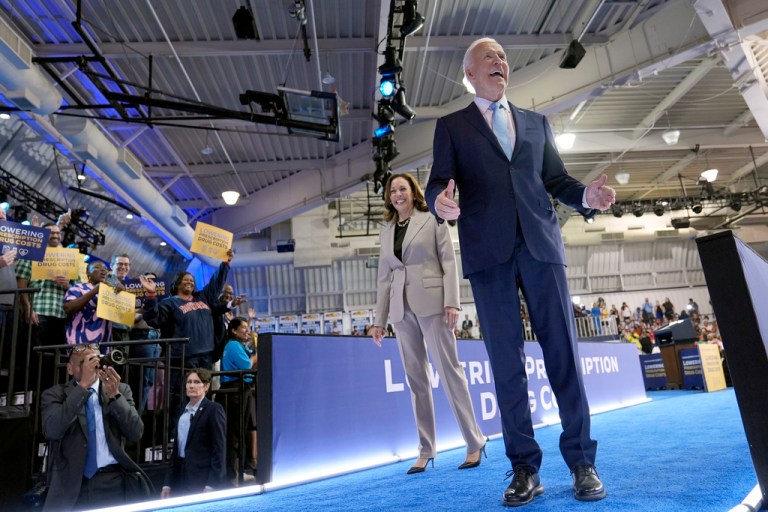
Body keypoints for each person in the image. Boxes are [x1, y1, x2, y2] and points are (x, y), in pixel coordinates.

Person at [425, 38, 615, 505]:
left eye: (503, 57)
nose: (500, 62)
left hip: (541, 247)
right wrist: (440, 203)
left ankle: (582, 462)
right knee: (506, 366)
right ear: (469, 73)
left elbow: (557, 180)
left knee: (563, 356)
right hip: (488, 254)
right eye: (489, 57)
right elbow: (436, 183)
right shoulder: (451, 126)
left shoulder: (536, 122)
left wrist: (585, 198)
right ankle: (524, 468)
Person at [371, 172, 486, 475]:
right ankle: (426, 449)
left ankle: (474, 441)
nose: (397, 194)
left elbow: (449, 261)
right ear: (389, 197)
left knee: (449, 371)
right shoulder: (386, 232)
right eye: (393, 190)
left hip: (433, 303)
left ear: (413, 192)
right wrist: (378, 320)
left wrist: (452, 301)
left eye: (402, 189)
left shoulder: (433, 218)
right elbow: (384, 278)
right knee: (416, 380)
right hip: (401, 309)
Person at [41, 343, 146, 510]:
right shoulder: (55, 394)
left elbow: (136, 433)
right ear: (70, 369)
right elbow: (52, 430)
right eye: (84, 362)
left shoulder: (120, 390)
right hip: (72, 486)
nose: (91, 366)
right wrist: (82, 387)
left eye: (94, 360)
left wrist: (115, 396)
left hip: (112, 481)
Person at [15, 218, 71, 390]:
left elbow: (77, 289)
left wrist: (68, 284)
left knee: (58, 359)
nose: (55, 235)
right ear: (43, 236)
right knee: (36, 357)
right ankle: (32, 396)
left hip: (62, 316)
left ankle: (52, 396)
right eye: (51, 232)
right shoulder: (32, 255)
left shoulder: (69, 259)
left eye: (57, 232)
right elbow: (21, 285)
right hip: (39, 312)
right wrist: (28, 308)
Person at [161, 368, 226, 498]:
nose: (191, 385)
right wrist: (167, 483)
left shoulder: (213, 409)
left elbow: (219, 449)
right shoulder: (182, 412)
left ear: (206, 386)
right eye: (189, 382)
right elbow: (176, 450)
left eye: (196, 382)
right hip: (180, 477)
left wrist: (212, 484)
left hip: (201, 479)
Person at [218, 317, 258, 484]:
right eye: (243, 328)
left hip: (242, 390)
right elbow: (248, 365)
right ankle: (233, 476)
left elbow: (250, 355)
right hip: (234, 391)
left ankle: (239, 471)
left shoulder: (239, 345)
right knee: (234, 435)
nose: (247, 330)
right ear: (233, 330)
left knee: (241, 433)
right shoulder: (233, 345)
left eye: (248, 327)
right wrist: (255, 357)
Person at [63, 261, 115, 345]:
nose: (103, 270)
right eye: (97, 267)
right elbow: (68, 308)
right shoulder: (78, 288)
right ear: (88, 272)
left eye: (105, 269)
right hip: (80, 339)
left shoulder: (110, 292)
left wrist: (120, 293)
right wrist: (94, 291)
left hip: (104, 341)